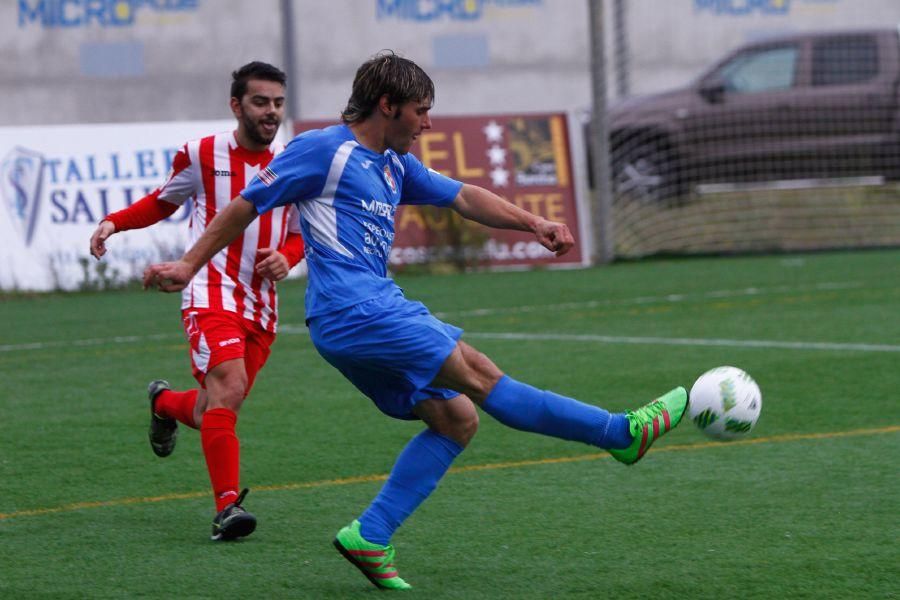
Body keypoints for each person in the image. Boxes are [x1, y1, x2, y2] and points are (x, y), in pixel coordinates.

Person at [143, 51, 687, 588]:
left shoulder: (393, 164)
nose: (427, 124)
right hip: (358, 311)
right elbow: (244, 204)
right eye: (420, 111)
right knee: (480, 376)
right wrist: (190, 263)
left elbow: (463, 196)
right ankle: (620, 434)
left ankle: (370, 535)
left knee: (456, 418)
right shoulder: (323, 150)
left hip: (350, 321)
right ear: (387, 105)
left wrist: (533, 222)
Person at [90, 61, 304, 541]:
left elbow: (298, 234)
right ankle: (227, 507)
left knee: (216, 408)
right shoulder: (202, 153)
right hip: (209, 289)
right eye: (260, 102)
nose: (271, 112)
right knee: (229, 384)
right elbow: (162, 201)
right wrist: (114, 222)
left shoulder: (294, 162)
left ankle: (163, 403)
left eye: (277, 103)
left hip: (261, 304)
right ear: (236, 105)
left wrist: (286, 259)